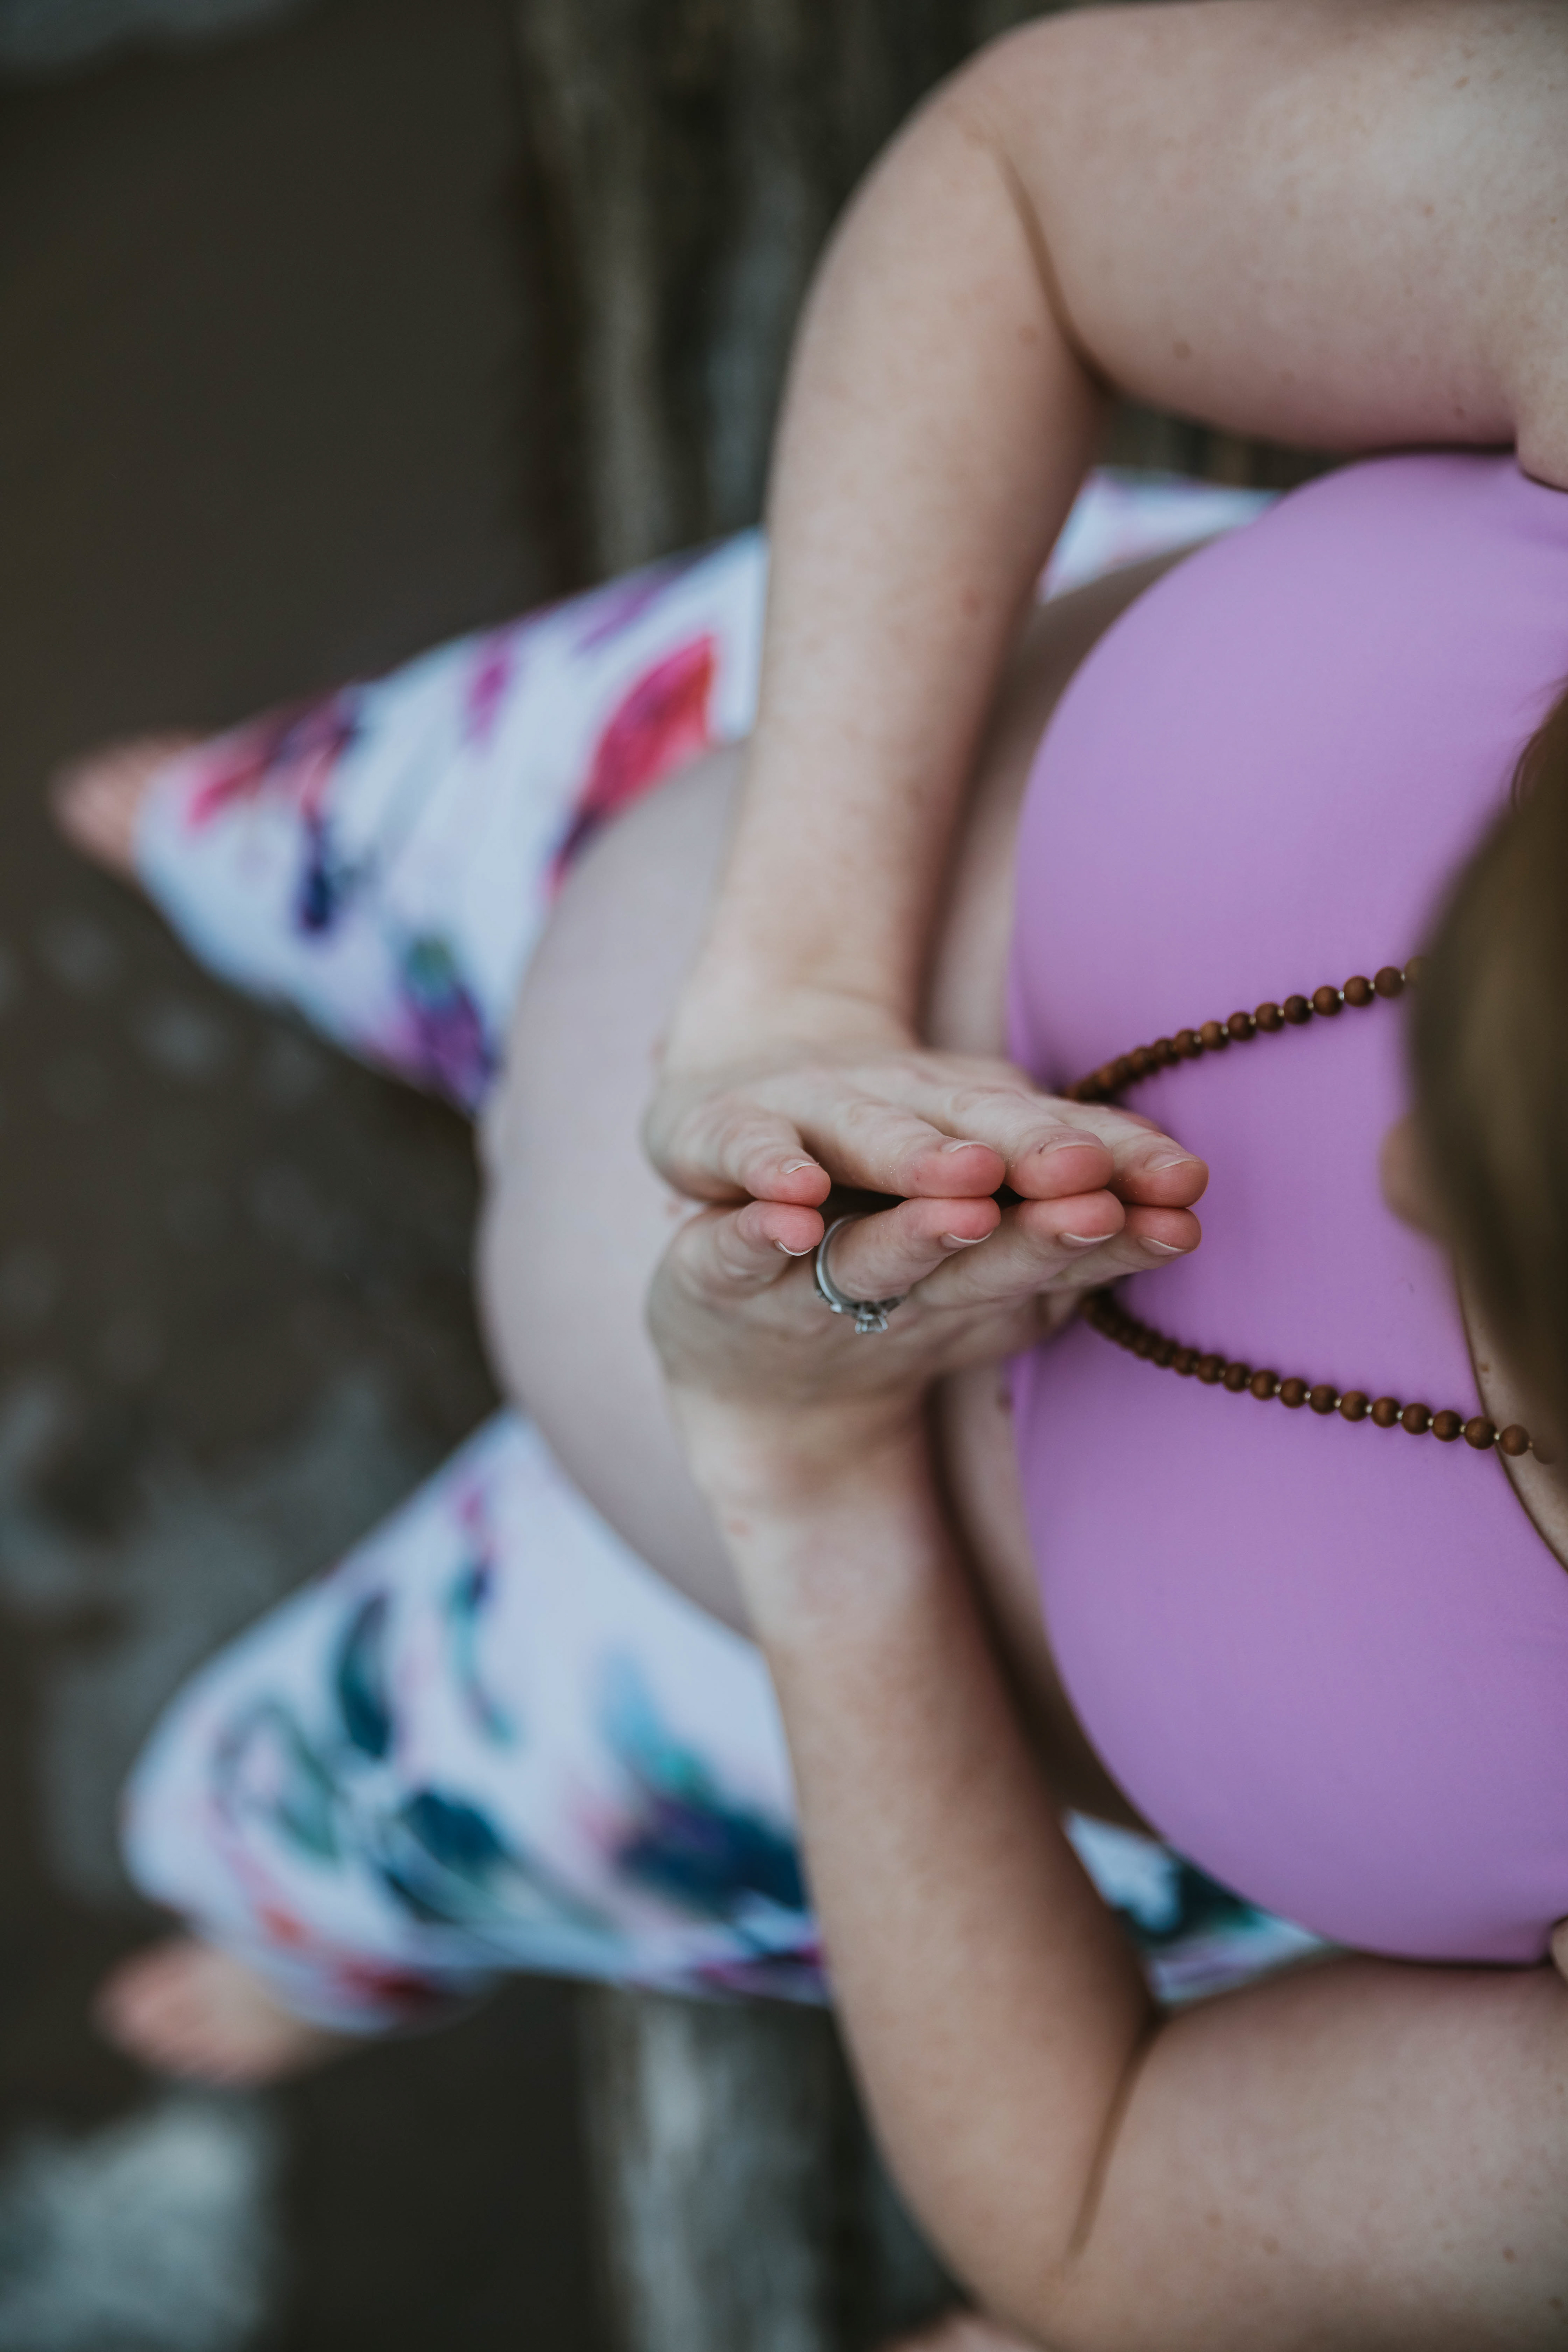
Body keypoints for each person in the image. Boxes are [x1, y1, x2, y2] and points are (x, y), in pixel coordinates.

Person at [50, 2, 1568, 2343]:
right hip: (759, 756)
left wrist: (818, 1497)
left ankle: (334, 1910)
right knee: (362, 818)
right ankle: (282, 847)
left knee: (400, 1790)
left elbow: (1095, 2211)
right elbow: (1022, 202)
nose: (1383, 1179)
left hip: (774, 1690)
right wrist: (785, 980)